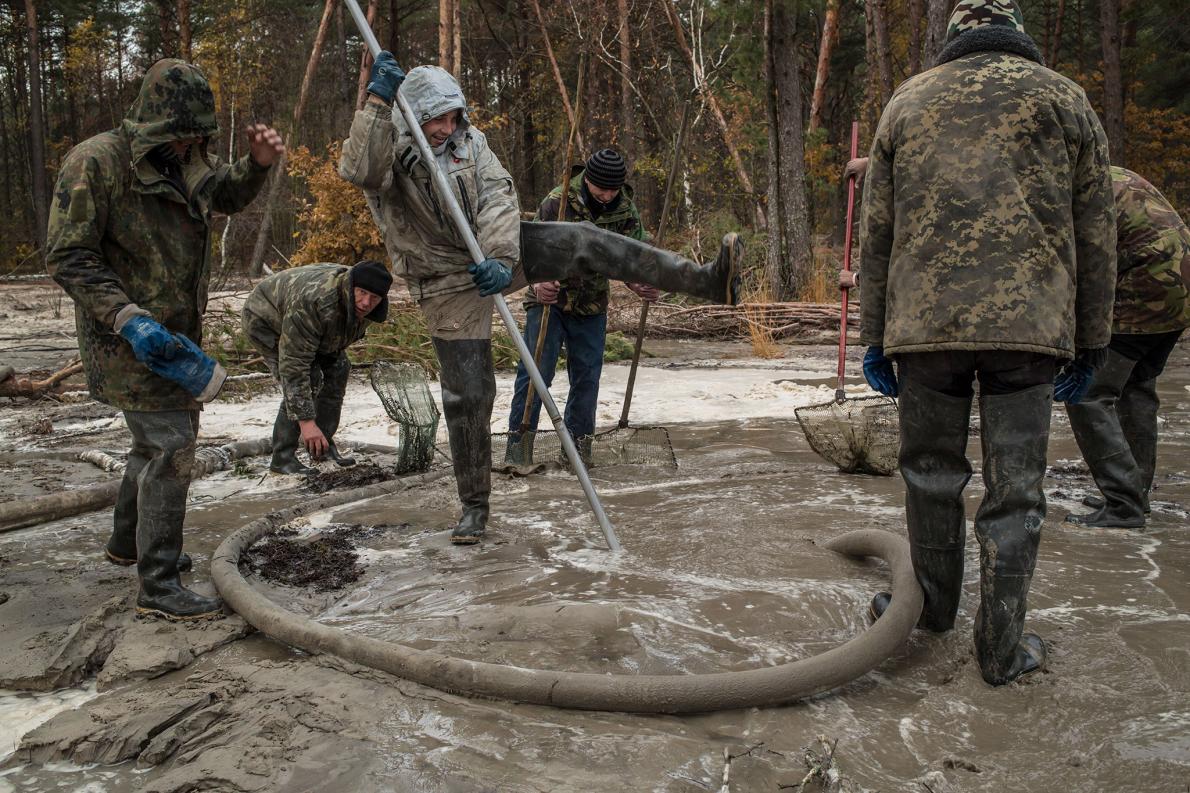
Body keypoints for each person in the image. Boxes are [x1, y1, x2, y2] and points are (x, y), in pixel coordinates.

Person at [340, 53, 744, 546]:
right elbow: (360, 171)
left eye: (453, 116)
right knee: (470, 393)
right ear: (416, 114)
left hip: (494, 253)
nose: (446, 128)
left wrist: (500, 256)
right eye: (437, 119)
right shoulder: (387, 139)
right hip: (443, 280)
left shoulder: (472, 142)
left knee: (583, 240)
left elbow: (498, 198)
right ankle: (474, 508)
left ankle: (707, 281)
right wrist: (376, 103)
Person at [858, 0, 1116, 685]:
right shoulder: (1065, 99)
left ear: (954, 36)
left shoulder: (907, 101)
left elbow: (876, 233)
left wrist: (875, 336)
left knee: (930, 473)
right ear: (1016, 32)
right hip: (1030, 330)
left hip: (925, 328)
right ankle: (1002, 651)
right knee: (1016, 491)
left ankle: (932, 614)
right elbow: (1096, 230)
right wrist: (1092, 339)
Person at [47, 59, 283, 620]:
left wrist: (256, 165)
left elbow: (221, 195)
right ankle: (158, 583)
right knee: (173, 446)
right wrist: (127, 317)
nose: (189, 146)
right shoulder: (96, 163)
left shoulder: (187, 157)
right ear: (156, 124)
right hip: (123, 336)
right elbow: (67, 255)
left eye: (197, 137)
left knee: (153, 444)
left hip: (176, 334)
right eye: (181, 136)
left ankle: (126, 543)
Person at [505, 149, 660, 466]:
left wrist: (639, 282)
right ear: (587, 179)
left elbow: (630, 257)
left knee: (587, 379)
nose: (607, 196)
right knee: (536, 375)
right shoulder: (557, 201)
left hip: (591, 304)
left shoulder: (625, 209)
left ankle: (577, 454)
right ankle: (518, 453)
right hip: (549, 300)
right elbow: (527, 250)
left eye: (613, 190)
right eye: (601, 189)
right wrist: (538, 283)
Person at [1064, 167, 1190, 528]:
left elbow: (1084, 261)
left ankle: (1124, 505)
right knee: (1136, 386)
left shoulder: (1072, 185)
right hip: (1180, 283)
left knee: (1086, 394)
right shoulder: (1109, 172)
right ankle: (1135, 492)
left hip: (1147, 282)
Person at [242, 260, 393, 475]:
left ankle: (321, 447)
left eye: (375, 298)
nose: (366, 302)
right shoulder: (314, 302)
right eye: (362, 293)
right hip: (265, 319)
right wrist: (306, 423)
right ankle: (282, 458)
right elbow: (294, 367)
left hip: (316, 322)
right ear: (351, 286)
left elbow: (341, 334)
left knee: (339, 368)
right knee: (309, 378)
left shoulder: (366, 306)